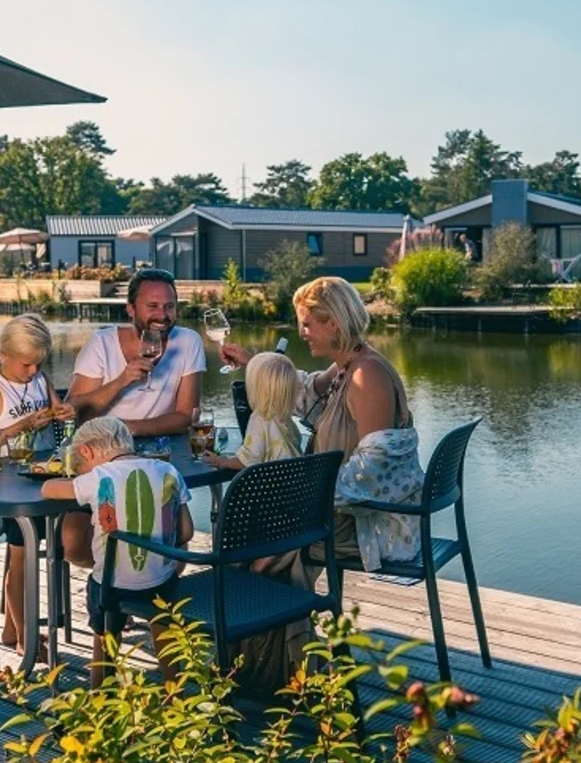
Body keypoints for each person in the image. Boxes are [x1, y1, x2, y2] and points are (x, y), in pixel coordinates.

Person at [220, 276, 423, 690]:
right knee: (253, 540)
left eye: (307, 325)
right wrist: (253, 362)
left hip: (362, 523)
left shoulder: (368, 377)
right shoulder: (346, 366)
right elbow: (297, 390)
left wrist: (300, 501)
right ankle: (269, 666)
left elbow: (371, 473)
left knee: (260, 548)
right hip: (334, 511)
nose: (301, 334)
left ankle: (274, 673)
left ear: (333, 323)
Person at [60, 268, 204, 571]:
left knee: (174, 536)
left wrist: (128, 429)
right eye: (152, 306)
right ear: (130, 309)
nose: (162, 315)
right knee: (72, 544)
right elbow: (75, 411)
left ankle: (152, 604)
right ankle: (118, 583)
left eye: (169, 306)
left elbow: (186, 416)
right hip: (102, 457)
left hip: (160, 457)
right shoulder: (101, 344)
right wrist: (122, 381)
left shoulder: (188, 342)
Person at [40, 417, 193, 687]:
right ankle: (175, 691)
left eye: (83, 467)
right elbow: (186, 532)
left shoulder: (99, 477)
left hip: (112, 587)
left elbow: (48, 489)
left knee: (104, 631)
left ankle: (100, 694)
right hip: (163, 583)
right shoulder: (169, 471)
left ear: (87, 451)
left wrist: (75, 480)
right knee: (162, 621)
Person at [0, 314, 75, 647]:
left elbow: (60, 410)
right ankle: (26, 639)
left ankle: (11, 629)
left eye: (38, 365)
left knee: (29, 551)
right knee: (21, 556)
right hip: (10, 481)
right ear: (4, 355)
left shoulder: (40, 379)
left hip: (45, 474)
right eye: (26, 365)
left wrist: (64, 412)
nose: (32, 372)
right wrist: (24, 425)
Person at [200, 351, 302, 573]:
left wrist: (222, 461)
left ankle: (257, 563)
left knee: (239, 518)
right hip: (294, 497)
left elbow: (248, 459)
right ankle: (268, 556)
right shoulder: (287, 421)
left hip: (270, 500)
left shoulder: (260, 419)